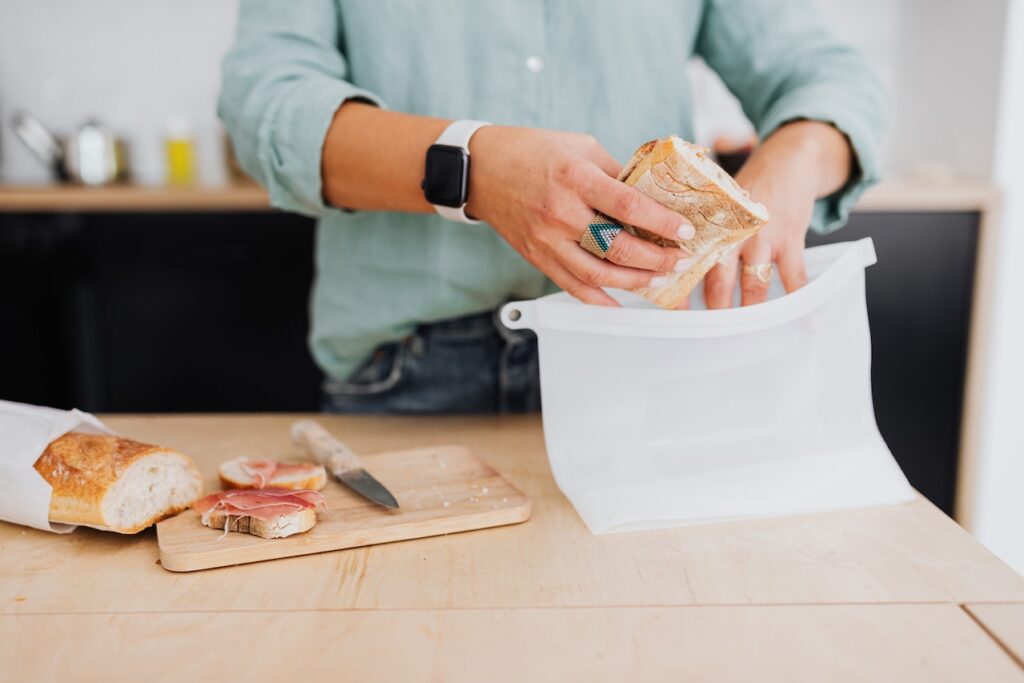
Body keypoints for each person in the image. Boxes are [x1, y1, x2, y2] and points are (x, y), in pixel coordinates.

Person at [219, 0, 885, 414]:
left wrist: (789, 161)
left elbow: (832, 77)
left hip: (642, 360)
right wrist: (473, 168)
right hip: (407, 372)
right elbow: (264, 107)